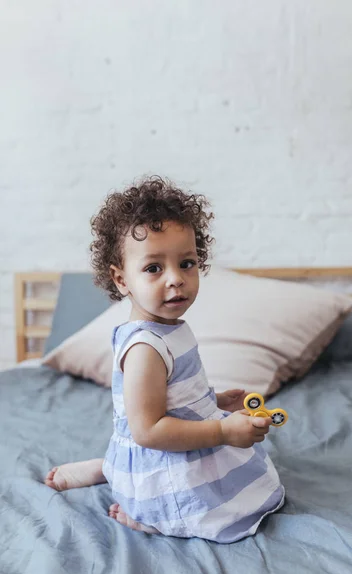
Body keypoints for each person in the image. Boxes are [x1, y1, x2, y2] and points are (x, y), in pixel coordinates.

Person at [45, 176, 285, 543]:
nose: (176, 279)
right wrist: (221, 429)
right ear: (121, 279)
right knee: (206, 511)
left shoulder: (171, 327)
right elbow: (148, 431)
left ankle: (109, 470)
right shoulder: (144, 349)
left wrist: (213, 403)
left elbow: (173, 398)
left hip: (176, 439)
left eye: (186, 263)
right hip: (162, 459)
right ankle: (147, 512)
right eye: (154, 268)